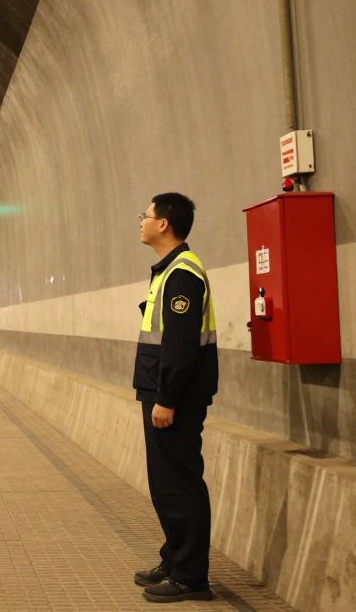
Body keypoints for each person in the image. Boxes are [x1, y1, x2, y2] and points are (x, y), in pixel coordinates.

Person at [133, 193, 219, 603]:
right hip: (161, 393)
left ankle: (191, 576)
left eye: (145, 216)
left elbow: (182, 345)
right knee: (164, 485)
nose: (142, 221)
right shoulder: (167, 271)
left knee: (180, 485)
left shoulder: (183, 273)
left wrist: (166, 398)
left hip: (175, 399)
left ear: (164, 223)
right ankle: (174, 558)